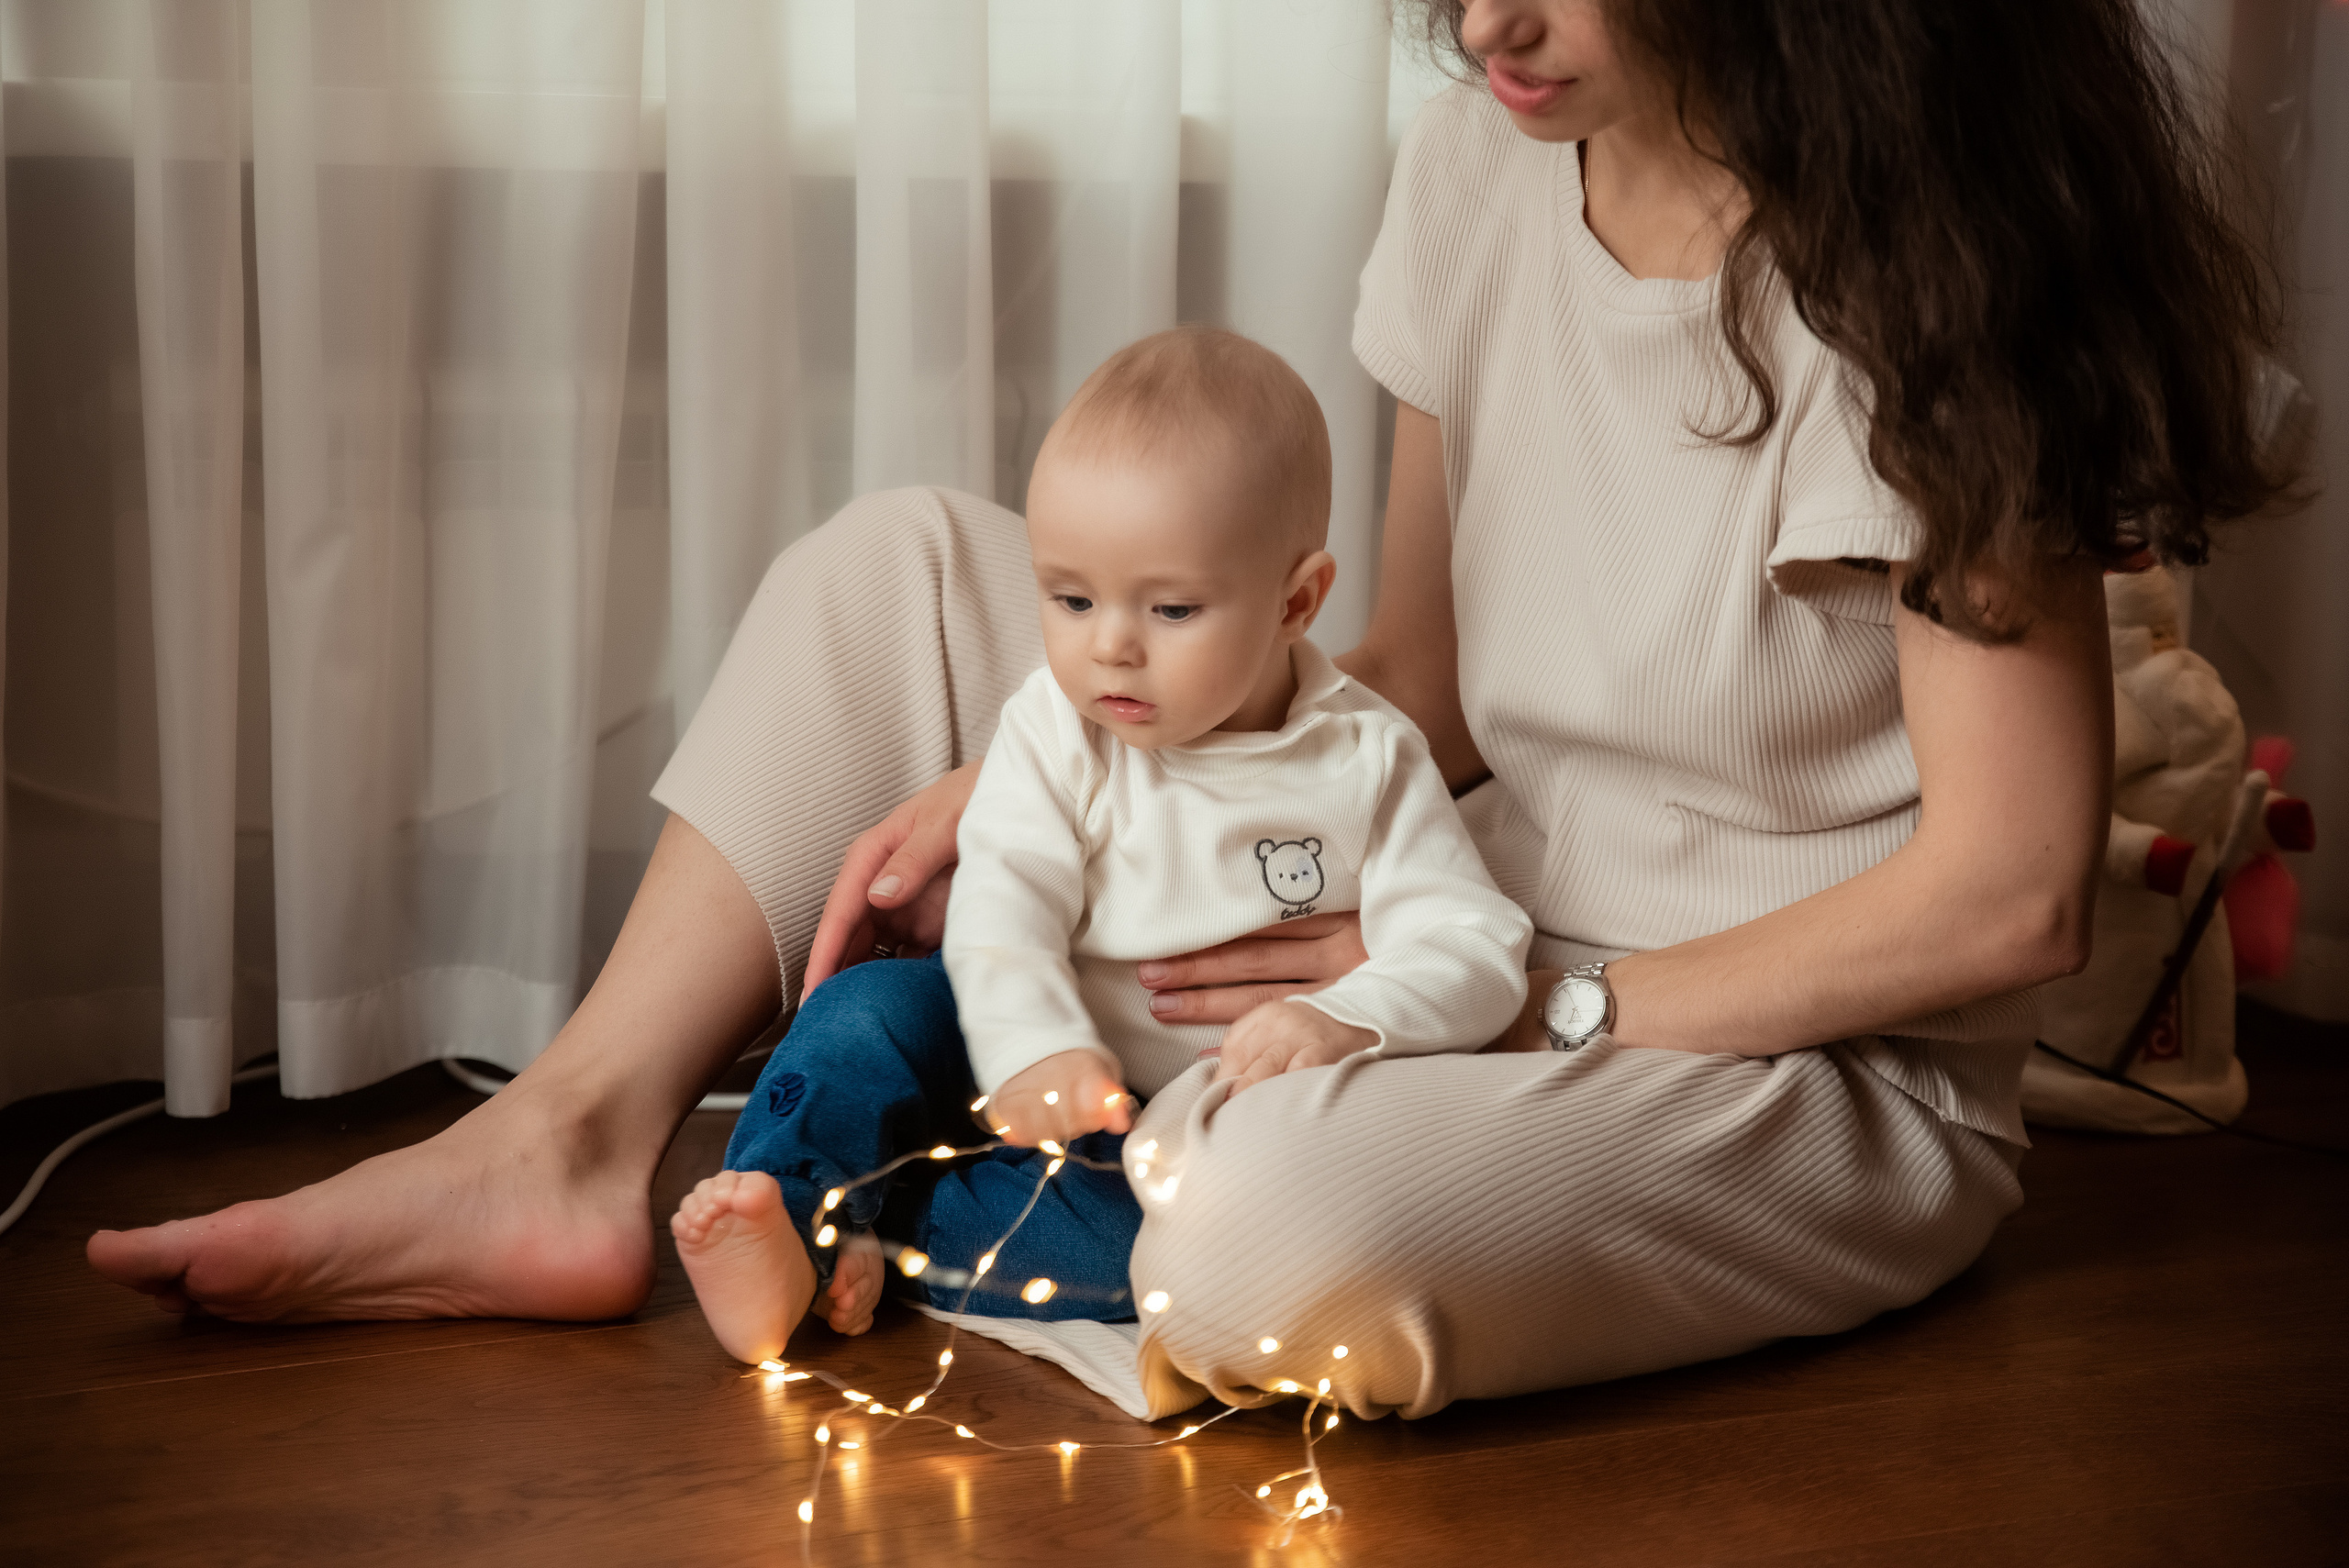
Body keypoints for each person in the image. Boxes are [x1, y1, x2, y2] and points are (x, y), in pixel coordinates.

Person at [86, 0, 2286, 1419]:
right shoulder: (1485, 157)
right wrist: (1052, 754)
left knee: (1261, 1238)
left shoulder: (1930, 270)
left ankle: (935, 1178)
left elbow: (2002, 899)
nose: (1483, 26)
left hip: (1778, 1059)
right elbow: (1416, 685)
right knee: (892, 577)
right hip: (1445, 901)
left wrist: (1531, 1003)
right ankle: (571, 1148)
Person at [672, 328, 1531, 1365]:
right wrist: (1034, 1044)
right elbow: (1005, 900)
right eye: (1071, 599)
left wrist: (1345, 1016)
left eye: (1170, 608)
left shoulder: (1366, 758)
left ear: (1296, 600)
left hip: (1156, 1123)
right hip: (1012, 1039)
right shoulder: (1057, 726)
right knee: (866, 1013)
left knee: (1142, 1250)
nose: (1109, 644)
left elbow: (1473, 944)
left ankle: (881, 1232)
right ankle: (781, 1208)